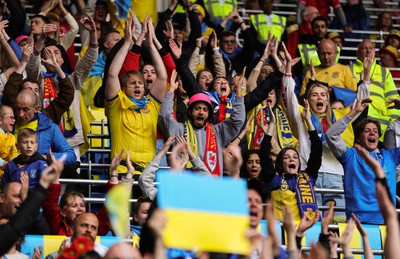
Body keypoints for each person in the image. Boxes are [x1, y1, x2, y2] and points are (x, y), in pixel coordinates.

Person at [105, 16, 167, 174]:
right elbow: (113, 74)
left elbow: (162, 77)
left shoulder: (151, 105)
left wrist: (151, 44)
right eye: (132, 83)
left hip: (148, 174)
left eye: (140, 83)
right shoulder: (116, 105)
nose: (138, 85)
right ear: (123, 89)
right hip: (122, 172)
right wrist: (127, 42)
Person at [159, 70, 245, 176]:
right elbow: (164, 117)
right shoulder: (179, 130)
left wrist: (238, 92)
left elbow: (237, 120)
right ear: (190, 112)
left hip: (210, 186)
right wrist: (171, 90)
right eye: (197, 109)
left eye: (205, 110)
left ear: (209, 114)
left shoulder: (217, 132)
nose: (201, 112)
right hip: (186, 186)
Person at [326, 99, 397, 224]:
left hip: (386, 223)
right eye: (367, 130)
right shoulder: (350, 156)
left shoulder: (390, 157)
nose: (372, 133)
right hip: (356, 223)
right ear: (358, 138)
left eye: (375, 131)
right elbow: (331, 135)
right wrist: (354, 112)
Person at [259, 98, 322, 221]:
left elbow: (317, 151)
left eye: (295, 157)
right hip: (282, 232)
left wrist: (308, 120)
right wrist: (271, 126)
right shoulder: (274, 180)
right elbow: (264, 156)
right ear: (281, 164)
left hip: (308, 231)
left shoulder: (308, 177)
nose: (292, 160)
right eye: (286, 158)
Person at [0, 154, 65, 256]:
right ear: (2, 198)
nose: (21, 201)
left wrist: (28, 196)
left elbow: (43, 231)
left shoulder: (24, 221)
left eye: (22, 198)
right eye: (17, 196)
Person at [349, 39, 400, 136]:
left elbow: (393, 97)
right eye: (364, 48)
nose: (368, 51)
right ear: (357, 52)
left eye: (371, 48)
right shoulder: (348, 70)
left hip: (382, 124)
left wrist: (393, 122)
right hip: (357, 120)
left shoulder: (384, 71)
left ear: (374, 52)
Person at [0, 105, 18, 180]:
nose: (14, 120)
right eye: (11, 117)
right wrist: (1, 162)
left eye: (14, 118)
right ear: (0, 120)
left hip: (6, 178)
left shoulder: (12, 137)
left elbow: (14, 154)